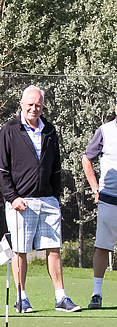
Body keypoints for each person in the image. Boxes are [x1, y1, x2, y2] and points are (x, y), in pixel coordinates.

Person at [0, 85, 79, 313]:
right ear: (22, 104)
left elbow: (56, 167)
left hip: (48, 200)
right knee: (20, 250)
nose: (34, 108)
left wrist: (55, 196)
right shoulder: (9, 130)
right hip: (20, 202)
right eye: (30, 104)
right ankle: (21, 298)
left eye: (38, 105)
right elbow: (2, 169)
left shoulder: (49, 130)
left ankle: (61, 298)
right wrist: (12, 197)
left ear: (43, 106)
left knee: (54, 249)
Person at [81, 98, 117, 310]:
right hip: (109, 199)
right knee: (103, 246)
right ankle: (97, 293)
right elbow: (86, 159)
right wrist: (95, 189)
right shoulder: (105, 131)